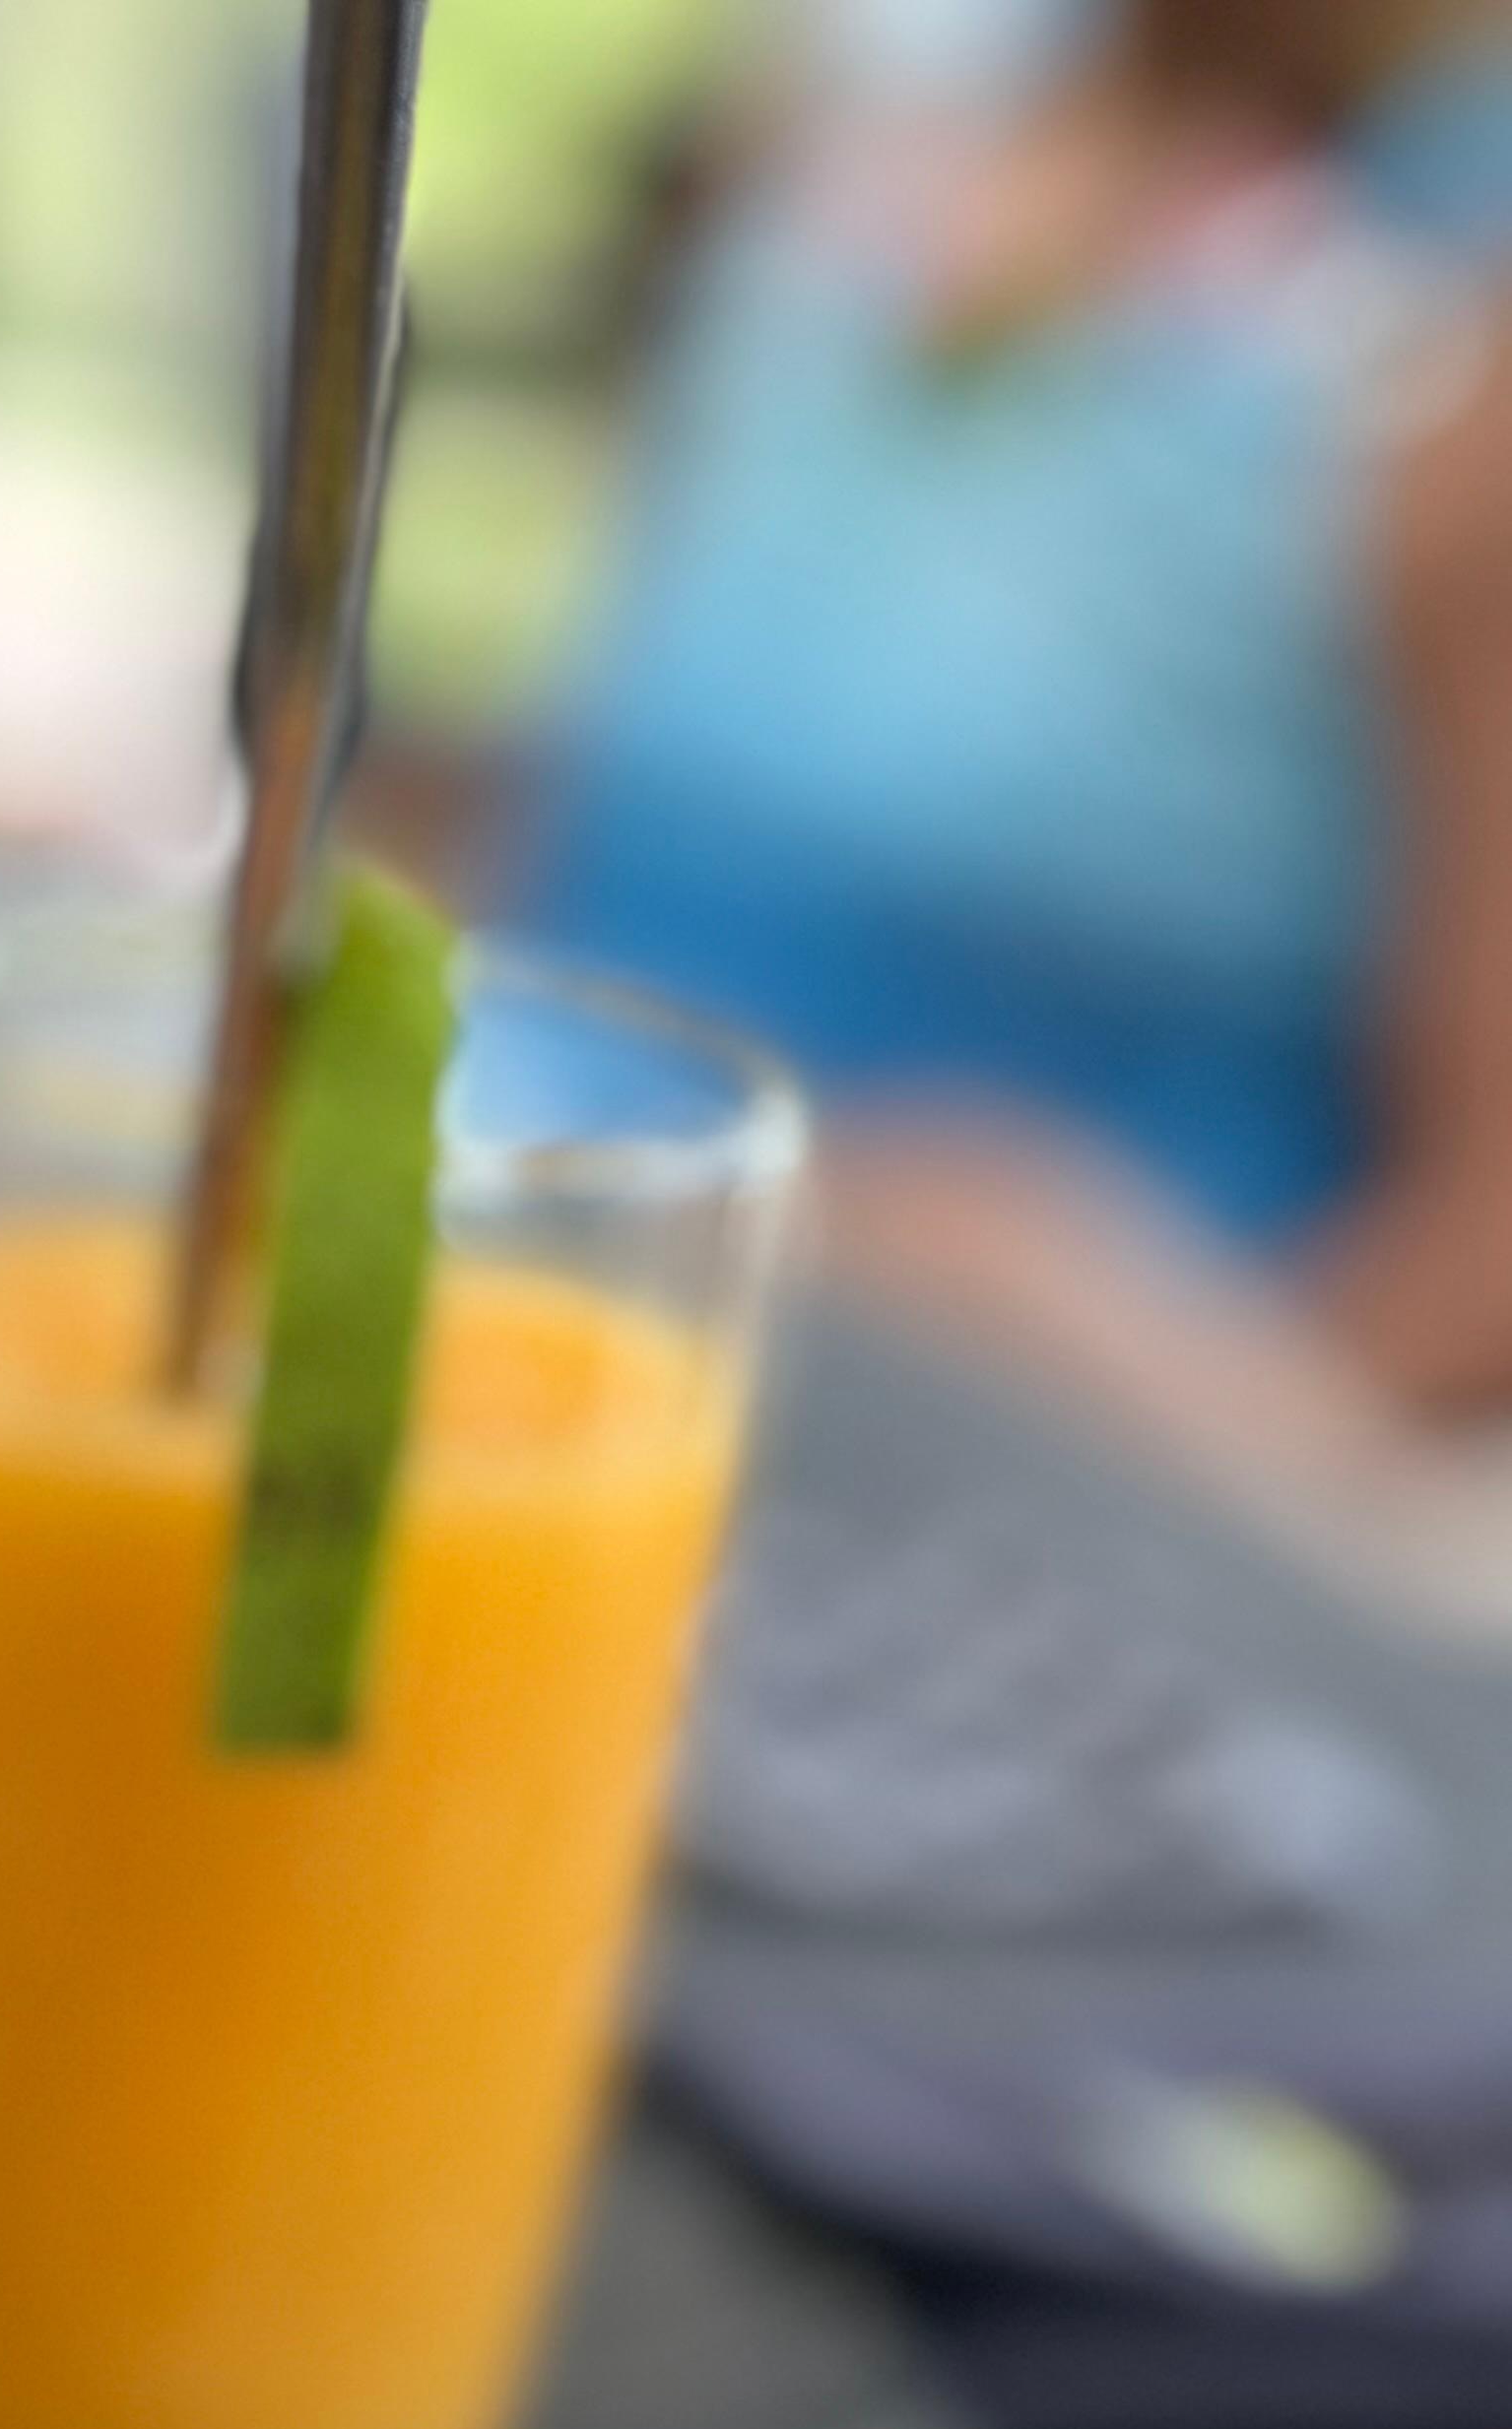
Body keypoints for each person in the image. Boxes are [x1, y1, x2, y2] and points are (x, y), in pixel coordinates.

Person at [526, 0, 1512, 1545]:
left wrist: (1154, 1382)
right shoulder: (856, 137)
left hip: (998, 1520)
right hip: (545, 1353)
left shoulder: (1444, 340)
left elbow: (1481, 1249)